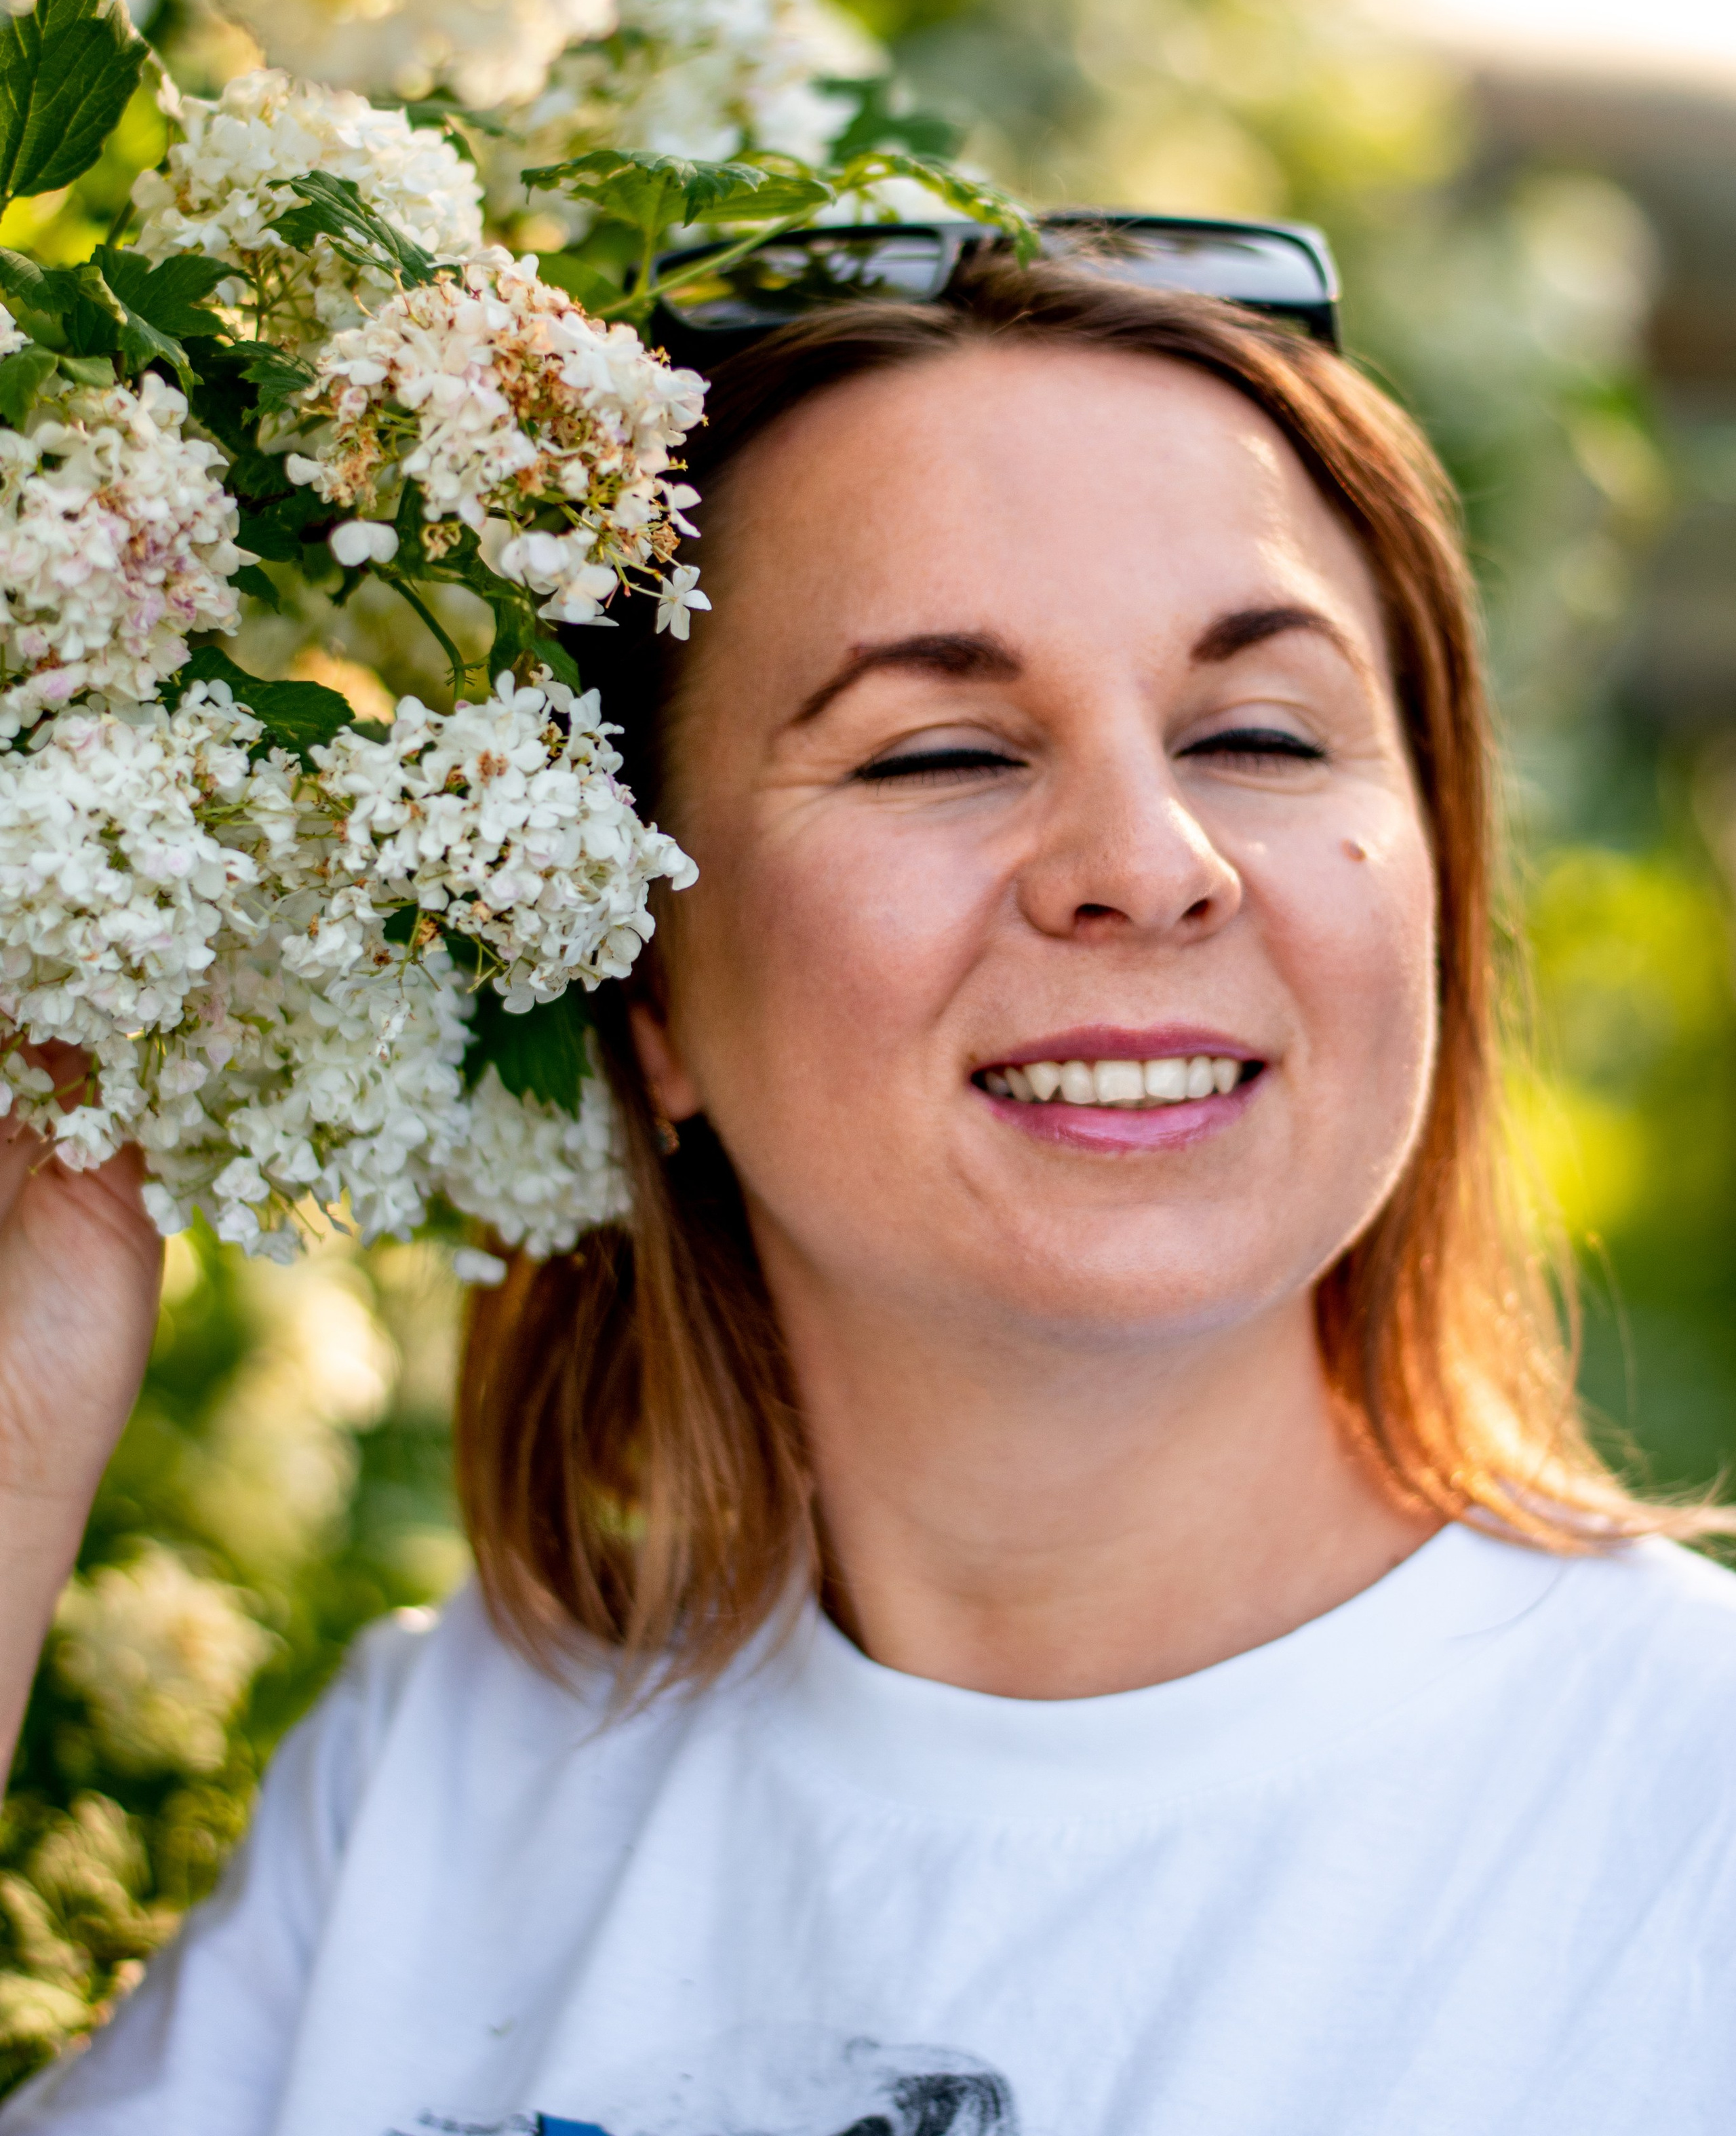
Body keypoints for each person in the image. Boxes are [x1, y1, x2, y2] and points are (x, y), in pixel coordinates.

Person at [1, 239, 1733, 2136]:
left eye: (1259, 733)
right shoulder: (445, 1779)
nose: (1149, 865)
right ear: (640, 978)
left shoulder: (1684, 1828)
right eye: (941, 753)